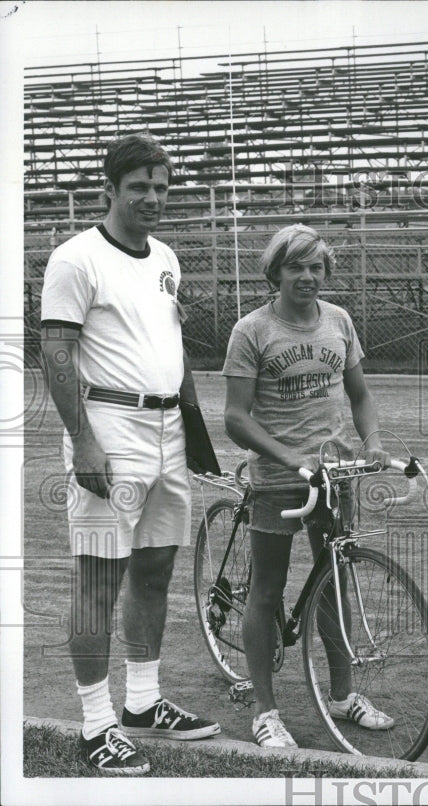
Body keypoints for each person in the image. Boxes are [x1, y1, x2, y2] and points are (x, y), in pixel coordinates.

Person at [39, 132, 220, 776]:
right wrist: (83, 437)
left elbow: (172, 345)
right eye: (139, 186)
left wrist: (194, 431)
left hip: (168, 425)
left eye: (161, 187)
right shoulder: (75, 258)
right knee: (97, 578)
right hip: (109, 424)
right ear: (109, 189)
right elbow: (56, 351)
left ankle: (143, 702)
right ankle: (96, 721)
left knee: (155, 569)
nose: (152, 197)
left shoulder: (166, 255)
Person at [222, 223, 393, 748]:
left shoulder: (338, 321)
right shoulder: (251, 330)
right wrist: (289, 457)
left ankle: (341, 696)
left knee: (336, 584)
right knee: (267, 591)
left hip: (333, 476)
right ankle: (265, 710)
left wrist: (373, 439)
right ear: (275, 272)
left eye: (316, 266)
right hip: (279, 479)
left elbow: (360, 395)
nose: (308, 276)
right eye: (296, 266)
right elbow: (235, 418)